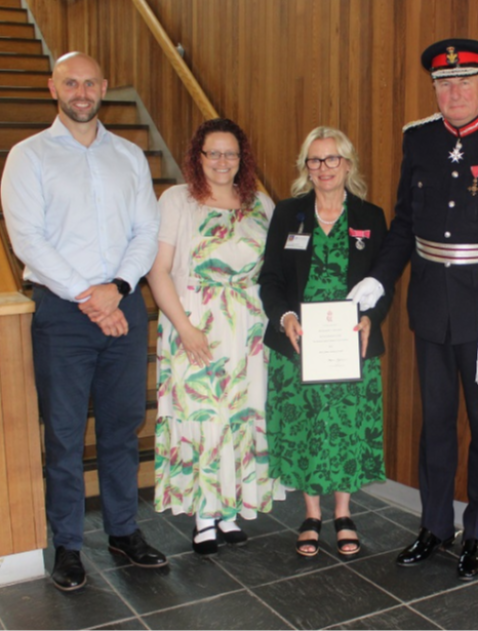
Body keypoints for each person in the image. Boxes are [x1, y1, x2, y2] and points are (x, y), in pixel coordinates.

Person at [348, 38, 478, 580]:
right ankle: (434, 525)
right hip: (431, 303)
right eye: (444, 84)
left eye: (464, 82)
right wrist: (378, 279)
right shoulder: (419, 139)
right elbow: (404, 225)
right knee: (435, 422)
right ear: (434, 88)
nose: (454, 93)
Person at [1, 52, 165, 591]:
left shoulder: (129, 156)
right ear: (53, 88)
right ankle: (68, 545)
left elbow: (146, 231)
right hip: (62, 314)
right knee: (66, 435)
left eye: (90, 83)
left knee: (122, 428)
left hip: (124, 306)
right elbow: (28, 239)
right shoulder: (28, 156)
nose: (81, 92)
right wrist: (89, 296)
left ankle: (122, 531)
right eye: (70, 82)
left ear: (104, 87)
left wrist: (117, 289)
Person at [147, 118, 285, 555]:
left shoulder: (261, 203)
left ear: (242, 159)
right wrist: (185, 329)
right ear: (198, 156)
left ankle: (229, 511)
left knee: (241, 417)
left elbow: (276, 270)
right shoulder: (178, 200)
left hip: (248, 329)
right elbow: (158, 271)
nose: (222, 161)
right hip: (195, 324)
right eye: (214, 153)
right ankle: (204, 517)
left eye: (231, 153)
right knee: (204, 418)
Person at [259, 126, 392, 558]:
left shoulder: (370, 217)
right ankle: (311, 514)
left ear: (348, 164)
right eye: (315, 160)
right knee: (306, 427)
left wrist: (372, 317)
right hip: (298, 344)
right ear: (306, 167)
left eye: (332, 158)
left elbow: (384, 282)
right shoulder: (288, 214)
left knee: (346, 428)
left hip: (350, 344)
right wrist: (285, 317)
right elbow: (270, 278)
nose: (324, 168)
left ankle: (344, 513)